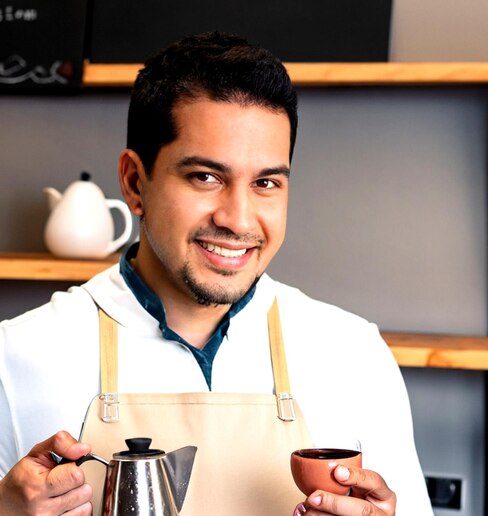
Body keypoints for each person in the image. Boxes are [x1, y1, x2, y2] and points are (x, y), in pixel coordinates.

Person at [0, 32, 433, 515]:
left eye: (266, 182)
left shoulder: (355, 356)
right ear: (133, 182)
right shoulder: (16, 360)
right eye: (206, 177)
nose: (239, 220)